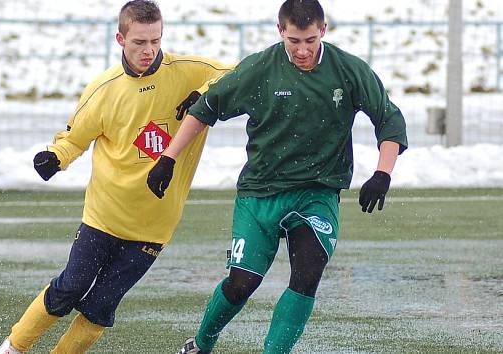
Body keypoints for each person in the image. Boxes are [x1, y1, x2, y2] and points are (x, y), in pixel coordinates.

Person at [146, 0, 408, 353]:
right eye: (294, 41)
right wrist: (168, 158)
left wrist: (382, 173)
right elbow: (206, 107)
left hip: (317, 194)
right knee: (242, 283)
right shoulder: (260, 69)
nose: (302, 50)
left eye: (310, 40)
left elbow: (389, 118)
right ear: (280, 31)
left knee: (308, 271)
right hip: (260, 193)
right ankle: (202, 343)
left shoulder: (348, 70)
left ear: (324, 31)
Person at [0, 1, 231, 353]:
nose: (149, 50)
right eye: (139, 42)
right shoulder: (104, 90)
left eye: (155, 40)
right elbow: (74, 139)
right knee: (69, 288)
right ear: (120, 39)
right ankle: (12, 347)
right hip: (103, 216)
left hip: (154, 227)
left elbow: (239, 72)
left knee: (101, 306)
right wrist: (55, 157)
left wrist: (206, 93)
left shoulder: (189, 71)